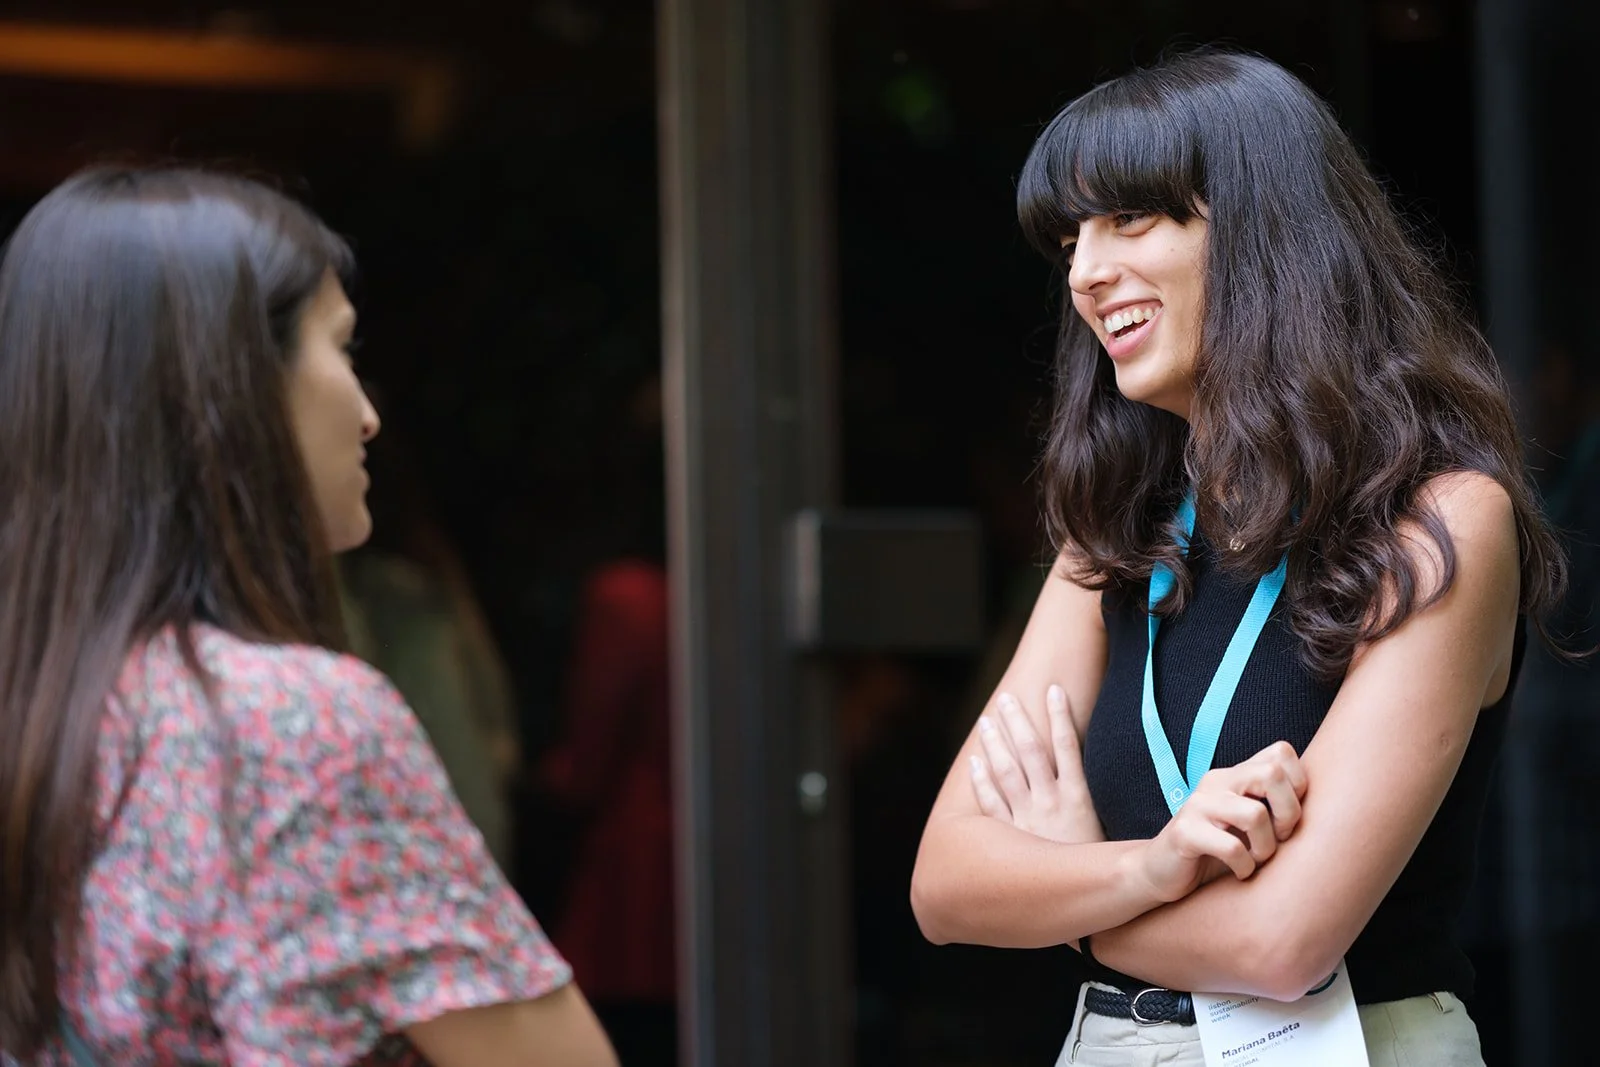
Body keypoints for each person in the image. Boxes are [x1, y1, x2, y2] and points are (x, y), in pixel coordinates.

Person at [909, 49, 1570, 1066]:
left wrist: (1070, 887)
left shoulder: (1439, 514)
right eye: (1072, 236)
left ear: (1268, 232)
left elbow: (1281, 942)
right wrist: (1152, 866)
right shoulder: (1114, 533)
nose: (1085, 271)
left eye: (1131, 217)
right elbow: (947, 884)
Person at [0, 167, 617, 1067]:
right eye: (342, 347)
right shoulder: (287, 722)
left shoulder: (40, 703)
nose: (368, 416)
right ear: (231, 387)